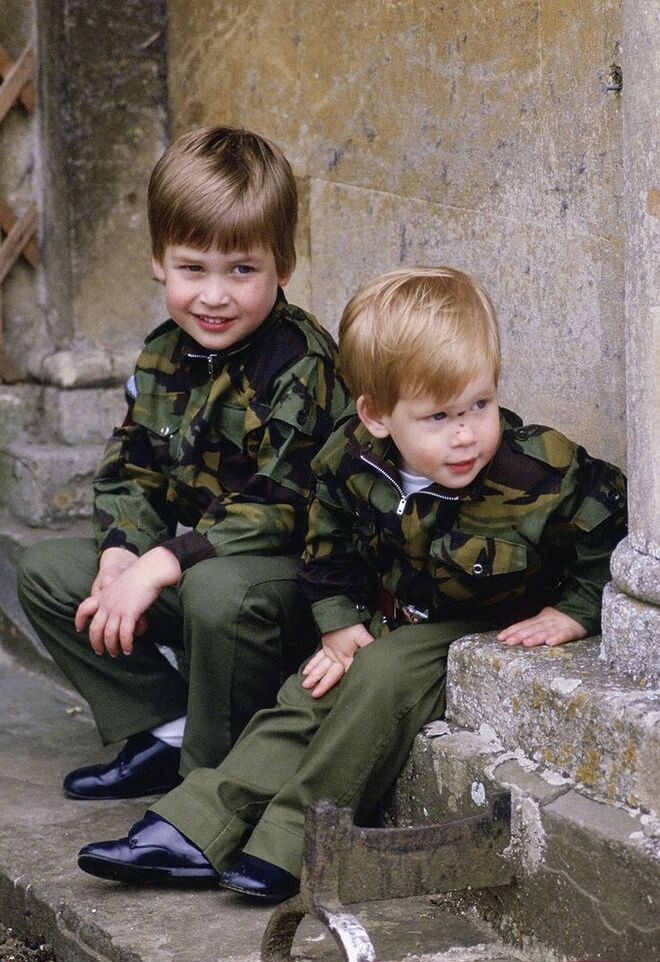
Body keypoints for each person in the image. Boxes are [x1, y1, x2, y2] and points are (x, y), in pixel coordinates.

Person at [73, 266, 627, 899]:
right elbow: (326, 541)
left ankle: (295, 841)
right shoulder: (352, 457)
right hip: (400, 612)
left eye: (481, 403)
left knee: (381, 676)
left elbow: (613, 523)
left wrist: (579, 609)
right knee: (307, 692)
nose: (467, 433)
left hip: (482, 624)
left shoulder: (539, 472)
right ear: (378, 416)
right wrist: (337, 624)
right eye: (439, 415)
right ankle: (196, 823)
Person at [17, 125, 349, 800]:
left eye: (242, 270)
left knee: (216, 589)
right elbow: (133, 466)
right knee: (50, 572)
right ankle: (165, 730)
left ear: (284, 264)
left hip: (288, 593)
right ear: (159, 262)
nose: (215, 296)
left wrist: (161, 564)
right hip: (202, 571)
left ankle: (211, 787)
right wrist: (121, 553)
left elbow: (282, 503)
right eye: (194, 268)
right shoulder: (163, 353)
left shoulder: (301, 362)